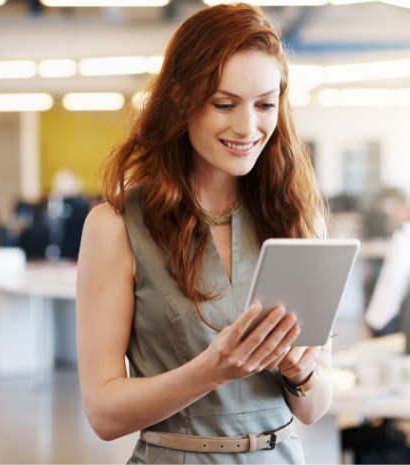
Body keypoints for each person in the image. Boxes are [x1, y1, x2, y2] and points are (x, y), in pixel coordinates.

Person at [76, 3, 332, 464]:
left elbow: (315, 408)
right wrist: (211, 372)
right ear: (179, 96)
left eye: (265, 105)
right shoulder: (115, 227)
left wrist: (301, 374)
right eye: (224, 104)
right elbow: (102, 413)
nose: (247, 127)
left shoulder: (296, 219)